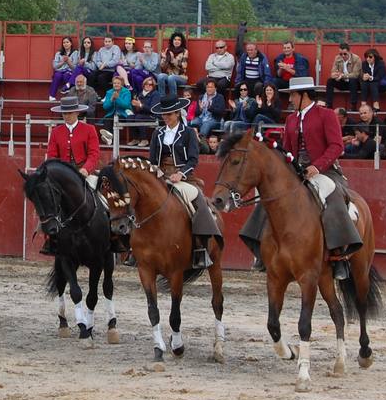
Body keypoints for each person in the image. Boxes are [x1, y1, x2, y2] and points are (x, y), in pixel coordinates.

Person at [238, 76, 363, 280]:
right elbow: (287, 149)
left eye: (293, 95)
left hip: (325, 170)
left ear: (304, 95)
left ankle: (340, 256)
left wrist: (317, 166)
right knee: (270, 198)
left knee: (333, 199)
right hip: (297, 171)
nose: (290, 99)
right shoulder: (291, 119)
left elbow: (337, 146)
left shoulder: (326, 114)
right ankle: (260, 248)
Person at [147, 96, 222, 269]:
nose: (166, 117)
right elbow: (152, 159)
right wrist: (155, 170)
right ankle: (137, 249)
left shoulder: (188, 133)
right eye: (164, 115)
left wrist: (180, 174)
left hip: (183, 177)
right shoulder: (157, 133)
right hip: (160, 176)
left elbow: (193, 160)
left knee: (199, 203)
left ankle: (201, 248)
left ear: (177, 114)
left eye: (169, 114)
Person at [39, 93, 102, 256]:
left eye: (70, 113)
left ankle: (110, 235)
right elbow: (52, 155)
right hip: (63, 176)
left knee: (102, 196)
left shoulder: (89, 129)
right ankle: (51, 238)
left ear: (77, 113)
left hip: (84, 172)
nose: (67, 116)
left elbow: (94, 154)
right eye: (64, 113)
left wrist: (85, 170)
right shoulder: (56, 132)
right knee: (49, 201)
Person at [325, 42, 363, 109]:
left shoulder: (356, 59)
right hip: (343, 82)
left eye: (345, 54)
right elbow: (333, 71)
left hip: (355, 84)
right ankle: (329, 104)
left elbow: (355, 75)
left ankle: (353, 105)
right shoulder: (337, 58)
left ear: (349, 52)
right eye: (341, 54)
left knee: (353, 80)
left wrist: (342, 75)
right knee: (330, 81)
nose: (343, 56)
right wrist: (335, 75)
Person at [158, 32, 188, 96]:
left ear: (181, 42)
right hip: (169, 75)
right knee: (160, 76)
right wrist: (164, 58)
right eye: (175, 39)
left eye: (179, 40)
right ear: (172, 41)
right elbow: (162, 66)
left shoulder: (185, 51)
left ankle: (173, 99)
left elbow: (184, 67)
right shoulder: (168, 50)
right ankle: (162, 98)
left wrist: (172, 60)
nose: (176, 41)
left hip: (181, 77)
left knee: (171, 78)